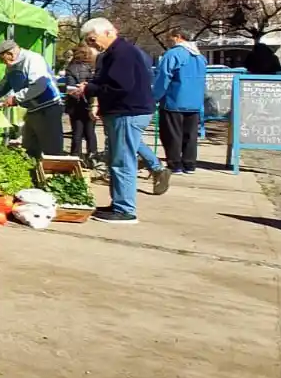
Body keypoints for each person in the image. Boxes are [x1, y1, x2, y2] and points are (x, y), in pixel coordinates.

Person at [78, 18, 161, 224]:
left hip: (127, 112)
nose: (91, 45)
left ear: (107, 32)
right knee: (117, 159)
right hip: (124, 111)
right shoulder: (116, 53)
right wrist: (91, 87)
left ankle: (125, 209)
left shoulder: (122, 53)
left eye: (92, 39)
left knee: (123, 160)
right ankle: (119, 203)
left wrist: (90, 89)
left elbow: (119, 86)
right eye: (88, 41)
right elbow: (109, 82)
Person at [0, 40, 64, 158]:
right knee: (30, 147)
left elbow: (38, 85)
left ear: (10, 54)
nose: (2, 62)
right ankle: (35, 173)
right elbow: (3, 87)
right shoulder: (11, 67)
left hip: (48, 108)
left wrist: (16, 98)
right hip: (32, 110)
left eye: (2, 59)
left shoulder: (33, 59)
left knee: (52, 150)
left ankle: (55, 174)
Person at [154, 27, 208, 174]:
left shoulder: (173, 54)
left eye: (169, 38)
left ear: (177, 37)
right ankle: (189, 164)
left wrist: (154, 96)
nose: (168, 41)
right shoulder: (200, 57)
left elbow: (163, 77)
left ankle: (175, 164)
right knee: (190, 135)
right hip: (194, 102)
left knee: (172, 134)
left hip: (174, 100)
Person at [64, 45, 99, 164]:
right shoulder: (94, 68)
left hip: (75, 104)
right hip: (91, 103)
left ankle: (75, 157)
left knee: (77, 132)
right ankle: (92, 157)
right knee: (90, 132)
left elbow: (70, 88)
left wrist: (77, 91)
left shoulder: (71, 68)